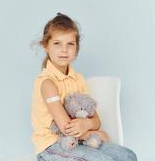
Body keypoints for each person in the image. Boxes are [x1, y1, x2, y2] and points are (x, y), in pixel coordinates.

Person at [31, 12, 138, 161]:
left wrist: (87, 124)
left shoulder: (78, 79)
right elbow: (66, 128)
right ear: (45, 46)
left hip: (80, 142)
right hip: (53, 147)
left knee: (128, 156)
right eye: (57, 43)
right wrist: (92, 134)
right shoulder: (47, 83)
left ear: (76, 48)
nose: (64, 49)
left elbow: (96, 120)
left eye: (70, 44)